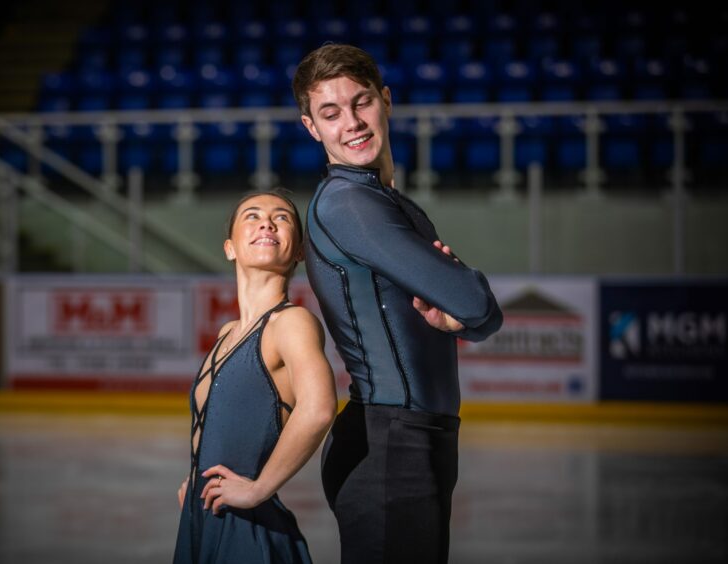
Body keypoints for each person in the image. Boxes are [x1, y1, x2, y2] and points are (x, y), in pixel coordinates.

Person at [292, 44, 504, 563]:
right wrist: (468, 306)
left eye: (361, 102)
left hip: (409, 441)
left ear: (385, 100)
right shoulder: (350, 204)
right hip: (389, 449)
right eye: (330, 113)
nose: (352, 123)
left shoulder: (376, 197)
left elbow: (472, 316)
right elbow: (476, 303)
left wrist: (468, 315)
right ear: (310, 127)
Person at [173, 191, 338, 564]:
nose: (266, 222)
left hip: (250, 529)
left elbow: (319, 409)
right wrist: (195, 478)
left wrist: (259, 489)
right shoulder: (226, 334)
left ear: (298, 251)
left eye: (282, 218)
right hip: (204, 518)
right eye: (252, 215)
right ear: (230, 248)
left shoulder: (291, 323)